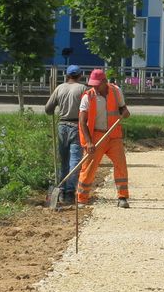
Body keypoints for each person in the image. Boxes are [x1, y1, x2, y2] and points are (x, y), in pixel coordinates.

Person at [76, 69, 132, 208]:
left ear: (104, 82)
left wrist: (125, 113)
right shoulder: (87, 97)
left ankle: (122, 197)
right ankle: (82, 198)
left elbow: (123, 109)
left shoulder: (115, 91)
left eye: (97, 84)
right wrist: (89, 142)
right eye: (92, 84)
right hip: (96, 136)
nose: (94, 87)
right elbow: (82, 122)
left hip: (114, 136)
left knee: (121, 165)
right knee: (88, 168)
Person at [43, 65, 87, 206]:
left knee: (64, 160)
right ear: (80, 75)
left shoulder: (59, 88)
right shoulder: (83, 89)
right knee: (74, 161)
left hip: (62, 126)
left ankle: (61, 189)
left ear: (67, 75)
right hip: (76, 126)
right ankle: (69, 192)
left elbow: (48, 109)